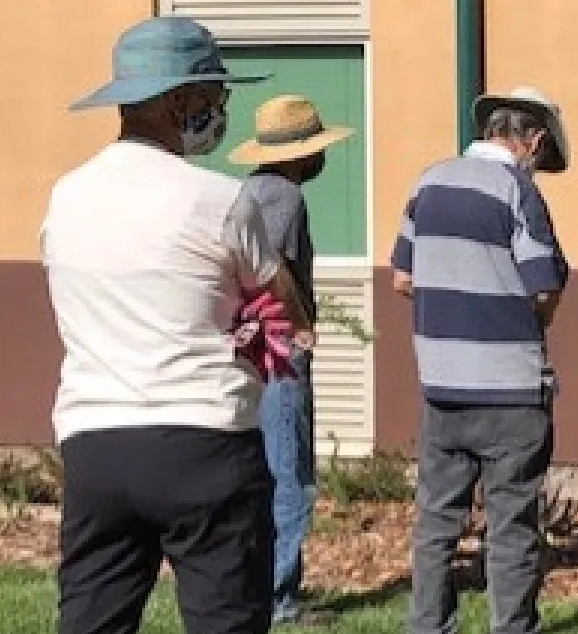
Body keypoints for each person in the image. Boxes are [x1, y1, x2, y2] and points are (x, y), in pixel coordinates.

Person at [45, 16, 310, 633]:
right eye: (214, 96)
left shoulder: (66, 196)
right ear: (180, 101)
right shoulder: (219, 198)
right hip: (204, 436)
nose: (220, 111)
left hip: (95, 441)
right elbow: (285, 306)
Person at [391, 85, 572, 634]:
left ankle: (428, 625)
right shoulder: (517, 190)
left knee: (436, 523)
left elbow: (402, 279)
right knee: (512, 526)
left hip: (441, 383)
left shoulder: (428, 182)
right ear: (532, 141)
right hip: (510, 389)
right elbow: (543, 286)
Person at [226, 93, 355, 627]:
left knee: (261, 472)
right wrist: (301, 326)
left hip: (248, 352)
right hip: (278, 351)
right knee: (289, 473)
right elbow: (272, 266)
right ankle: (278, 596)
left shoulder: (247, 190)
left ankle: (257, 586)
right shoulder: (283, 195)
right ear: (304, 152)